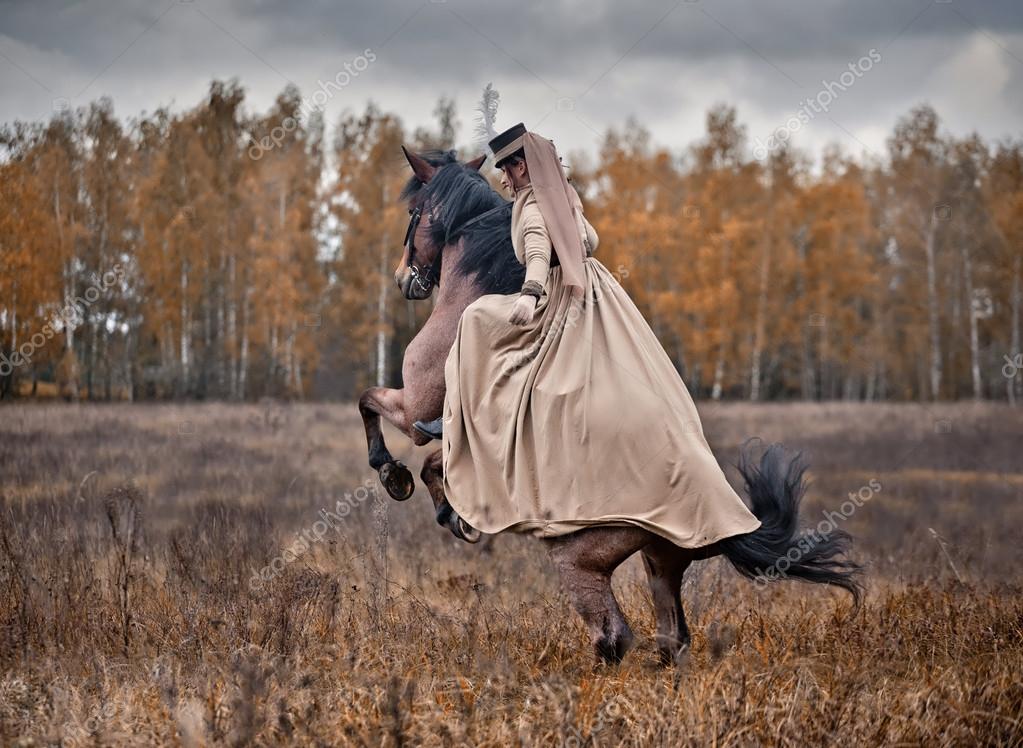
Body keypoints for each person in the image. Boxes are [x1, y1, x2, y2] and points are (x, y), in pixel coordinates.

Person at [419, 122, 761, 549]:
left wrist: (530, 293)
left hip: (555, 295)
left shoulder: (531, 205)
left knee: (475, 318)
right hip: (595, 293)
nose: (503, 179)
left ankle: (459, 413)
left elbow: (538, 249)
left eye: (506, 169)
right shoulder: (564, 196)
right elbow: (589, 240)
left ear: (522, 167)